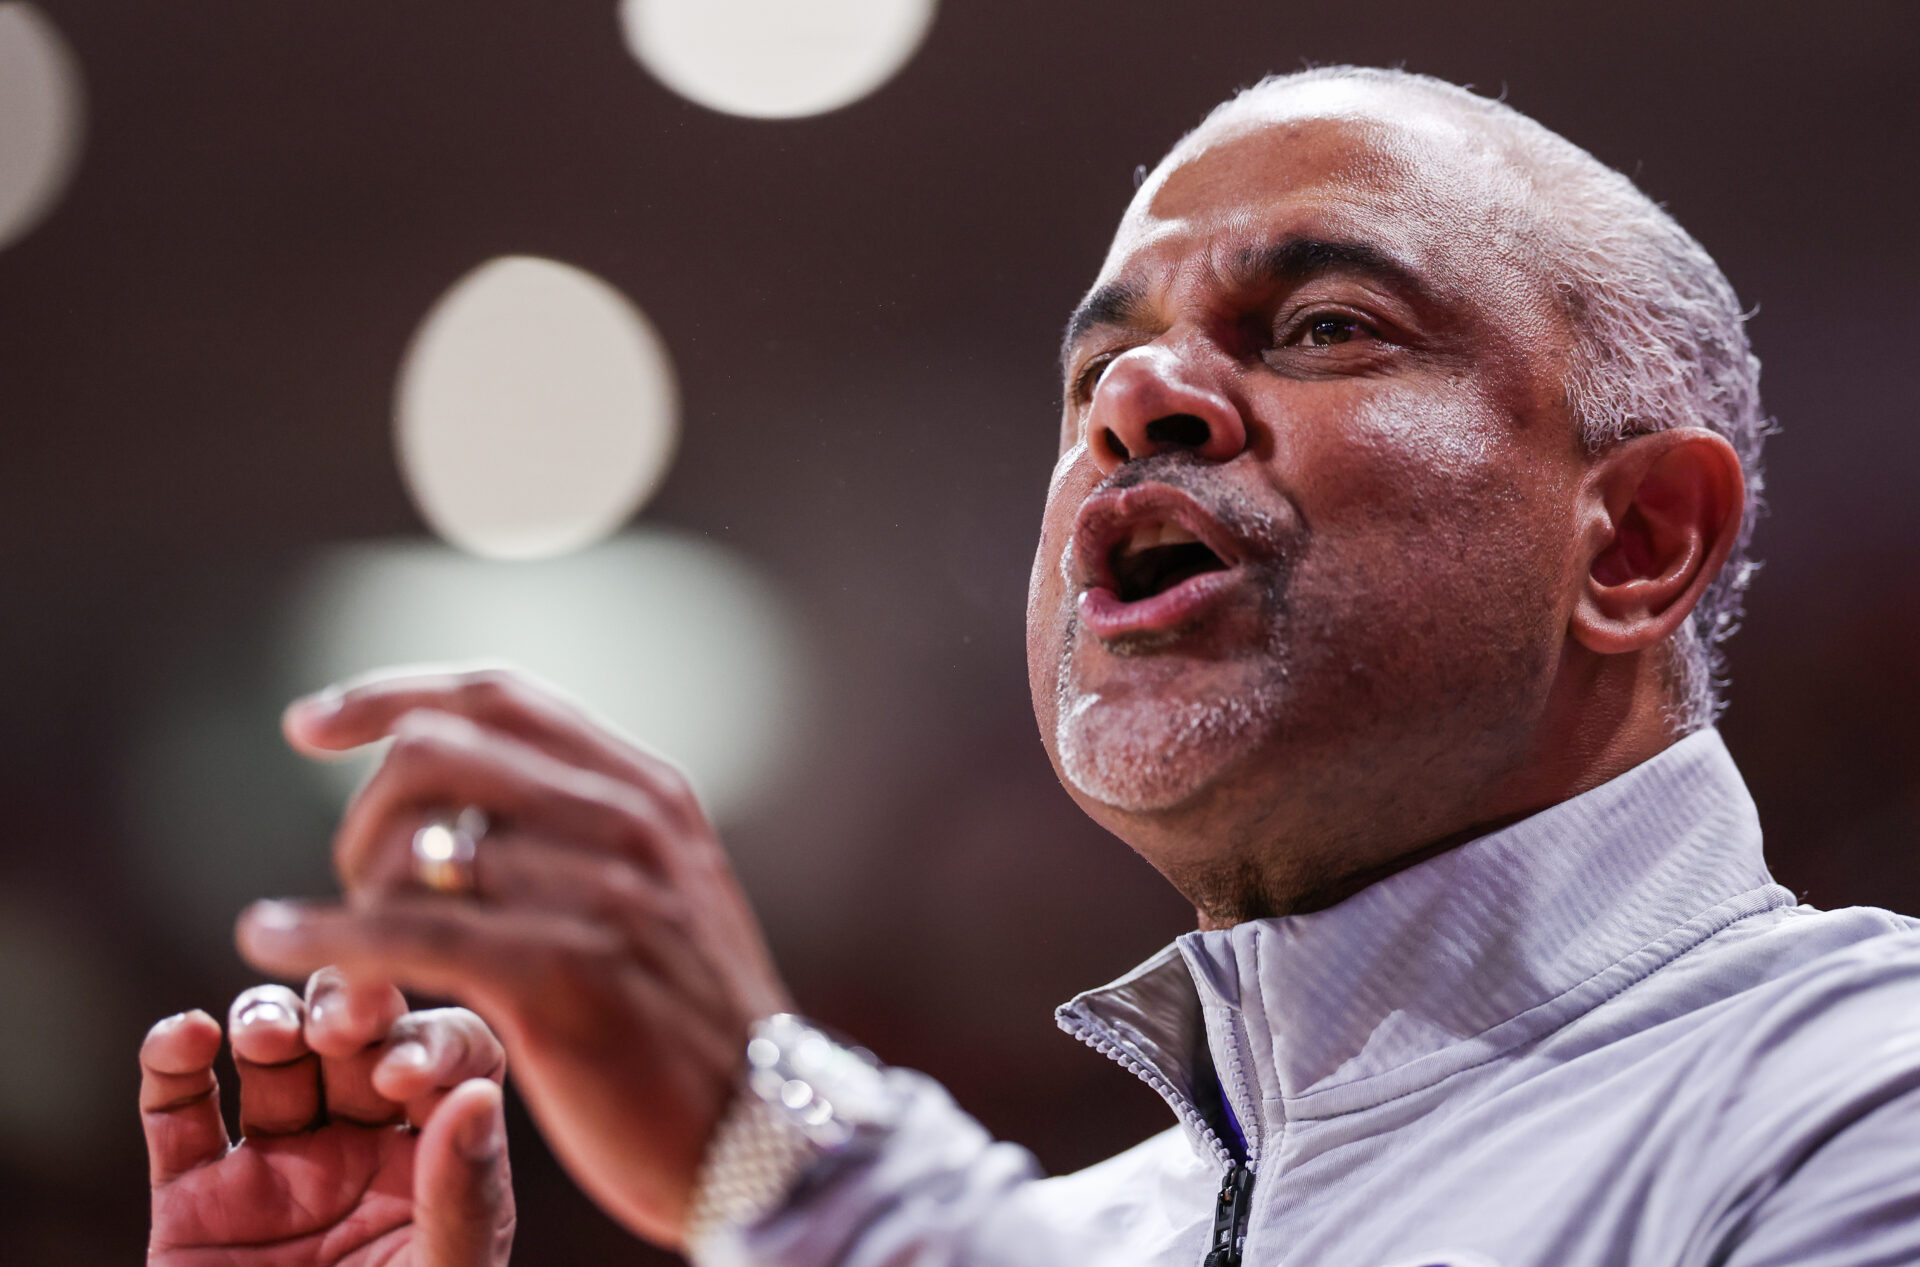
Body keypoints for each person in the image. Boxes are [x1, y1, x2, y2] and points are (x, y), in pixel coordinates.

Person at [142, 65, 1920, 1265]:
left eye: (1321, 325)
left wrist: (785, 1159)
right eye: (1096, 379)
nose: (1139, 402)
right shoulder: (1091, 1236)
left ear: (1636, 540)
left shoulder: (1861, 1094)